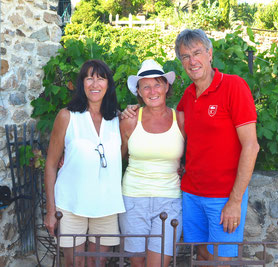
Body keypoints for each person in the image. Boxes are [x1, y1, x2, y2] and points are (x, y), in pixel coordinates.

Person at [122, 29, 260, 265]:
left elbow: (251, 146)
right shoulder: (188, 96)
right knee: (202, 255)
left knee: (220, 259)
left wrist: (235, 200)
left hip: (223, 195)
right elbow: (177, 138)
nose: (192, 61)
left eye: (197, 53)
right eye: (185, 56)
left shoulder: (234, 86)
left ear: (209, 53)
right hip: (192, 194)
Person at [44, 59, 125, 267]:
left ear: (108, 85)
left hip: (106, 205)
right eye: (89, 78)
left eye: (101, 78)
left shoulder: (118, 119)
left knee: (97, 264)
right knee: (75, 264)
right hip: (71, 204)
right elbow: (51, 165)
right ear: (82, 83)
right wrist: (51, 210)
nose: (95, 84)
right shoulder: (66, 117)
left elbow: (123, 156)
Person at [119, 59, 185, 267]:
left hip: (170, 200)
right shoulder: (129, 120)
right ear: (139, 91)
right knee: (138, 264)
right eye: (145, 86)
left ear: (166, 86)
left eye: (157, 84)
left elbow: (197, 153)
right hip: (133, 200)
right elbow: (115, 158)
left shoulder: (181, 120)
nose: (152, 90)